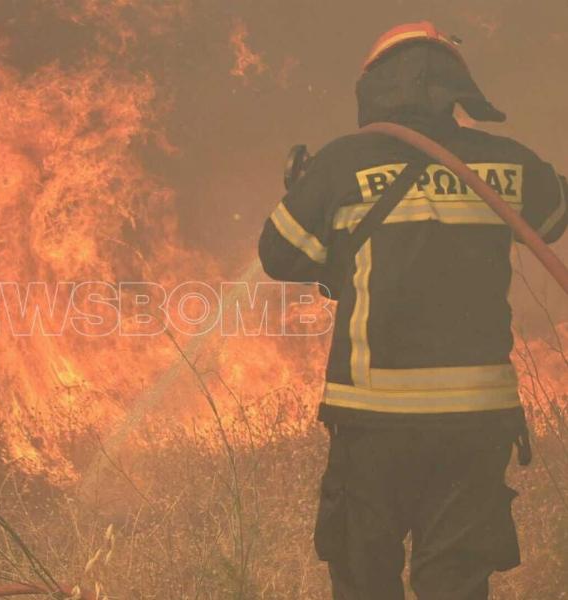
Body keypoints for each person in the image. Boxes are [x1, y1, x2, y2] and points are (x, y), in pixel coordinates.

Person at [258, 21, 568, 600]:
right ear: (456, 89)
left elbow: (279, 255)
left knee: (364, 576)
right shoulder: (506, 165)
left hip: (374, 422)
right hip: (476, 422)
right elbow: (554, 216)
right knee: (455, 580)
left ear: (373, 88)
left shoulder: (341, 164)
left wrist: (305, 191)